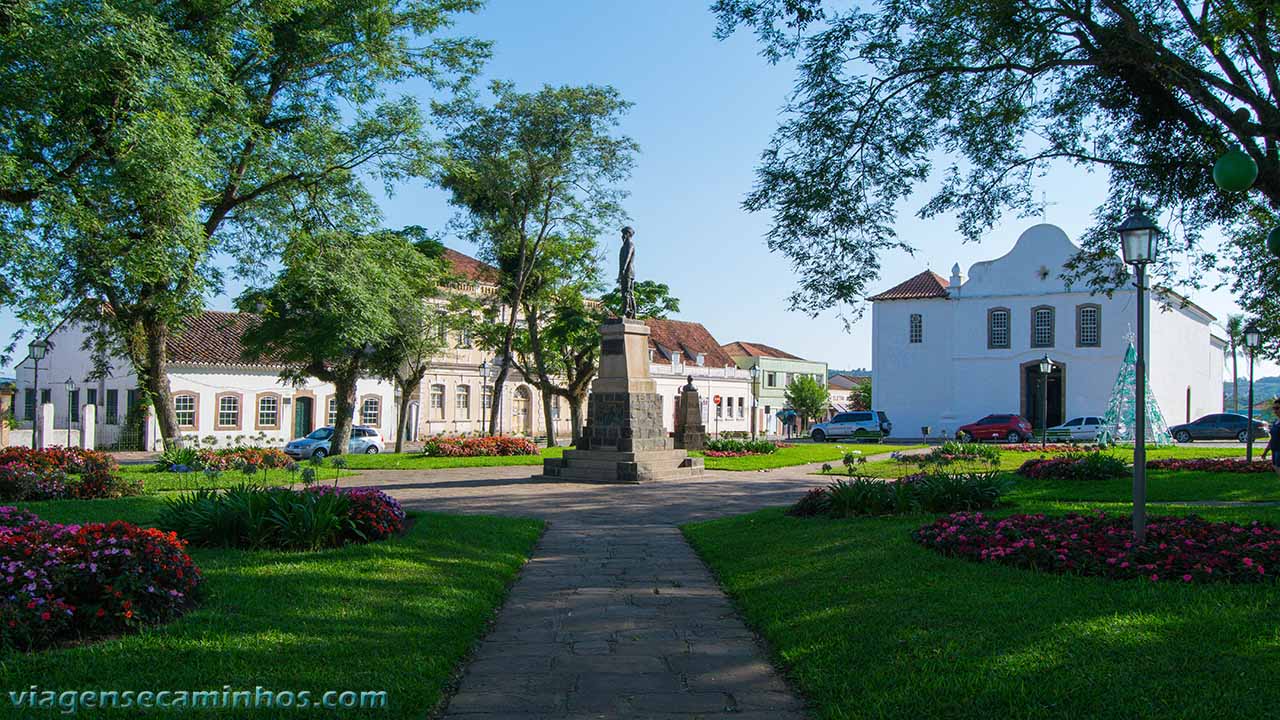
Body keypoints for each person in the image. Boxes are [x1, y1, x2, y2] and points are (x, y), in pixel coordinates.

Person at [1262, 400, 1280, 475]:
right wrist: (1266, 451)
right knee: (1276, 467)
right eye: (1274, 408)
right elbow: (1273, 438)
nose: (1275, 411)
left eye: (1277, 408)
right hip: (1275, 449)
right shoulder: (1276, 422)